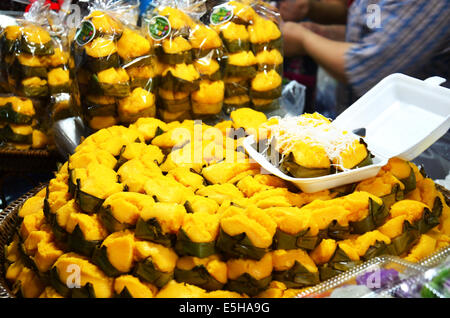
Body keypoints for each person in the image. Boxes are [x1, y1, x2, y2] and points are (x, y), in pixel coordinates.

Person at [281, 0, 450, 113]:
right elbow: (373, 27)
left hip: (410, 129)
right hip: (357, 111)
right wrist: (324, 33)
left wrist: (304, 40)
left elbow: (370, 67)